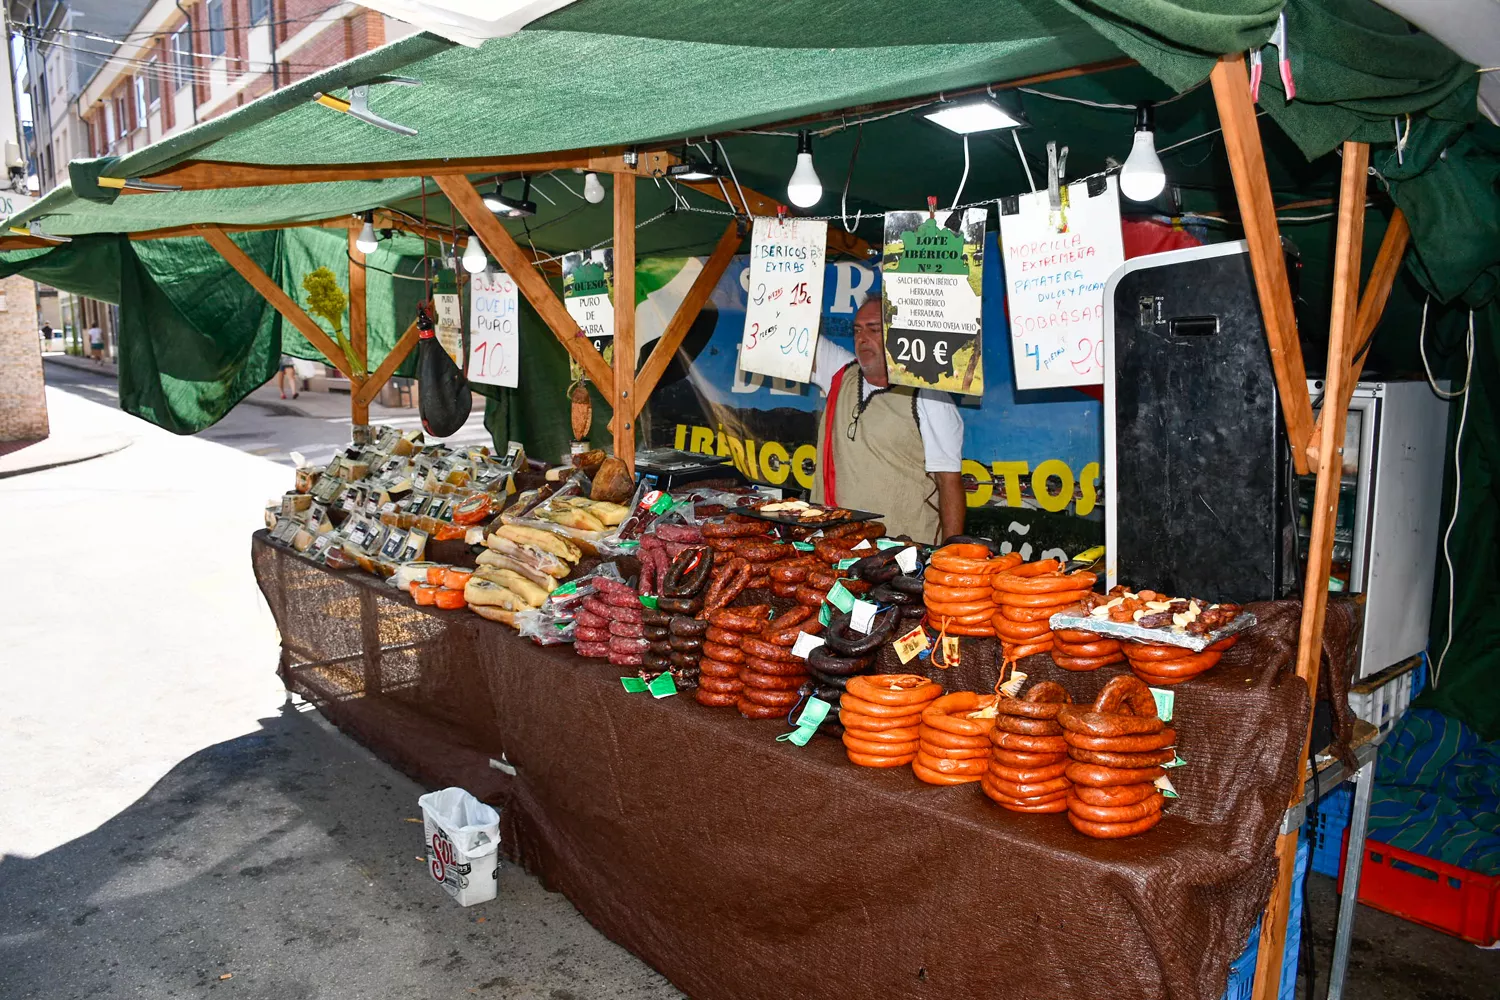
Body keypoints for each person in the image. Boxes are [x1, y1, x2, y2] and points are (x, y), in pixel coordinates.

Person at [809, 297, 965, 544]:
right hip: (839, 544)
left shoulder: (928, 395)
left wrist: (951, 556)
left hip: (903, 552)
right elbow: (792, 329)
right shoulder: (841, 374)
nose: (862, 338)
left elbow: (949, 481)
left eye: (874, 329)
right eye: (857, 330)